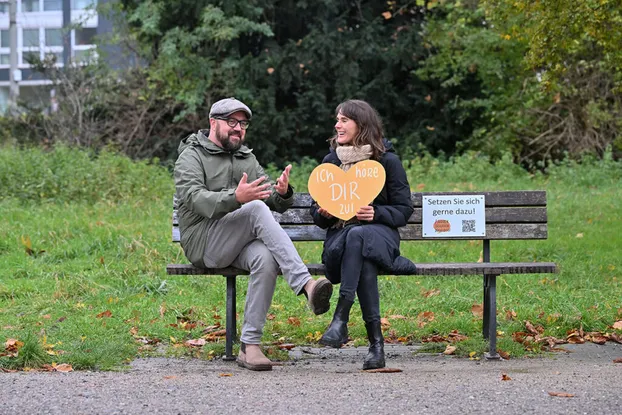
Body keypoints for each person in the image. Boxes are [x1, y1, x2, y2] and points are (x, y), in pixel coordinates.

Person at [174, 97, 333, 371]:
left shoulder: (246, 157)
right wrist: (235, 197)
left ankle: (250, 346)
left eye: (243, 123)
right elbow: (194, 198)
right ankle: (306, 285)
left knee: (265, 258)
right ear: (214, 123)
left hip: (235, 242)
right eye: (232, 122)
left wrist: (282, 193)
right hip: (204, 243)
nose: (238, 129)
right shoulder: (192, 156)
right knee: (256, 209)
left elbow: (267, 195)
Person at [310, 99, 416, 370]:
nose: (337, 124)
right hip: (341, 244)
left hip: (380, 236)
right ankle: (375, 345)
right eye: (337, 119)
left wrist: (376, 214)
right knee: (359, 246)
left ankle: (340, 320)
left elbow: (403, 210)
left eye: (344, 120)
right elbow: (316, 214)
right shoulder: (331, 163)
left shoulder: (387, 161)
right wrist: (324, 213)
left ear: (362, 125)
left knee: (360, 236)